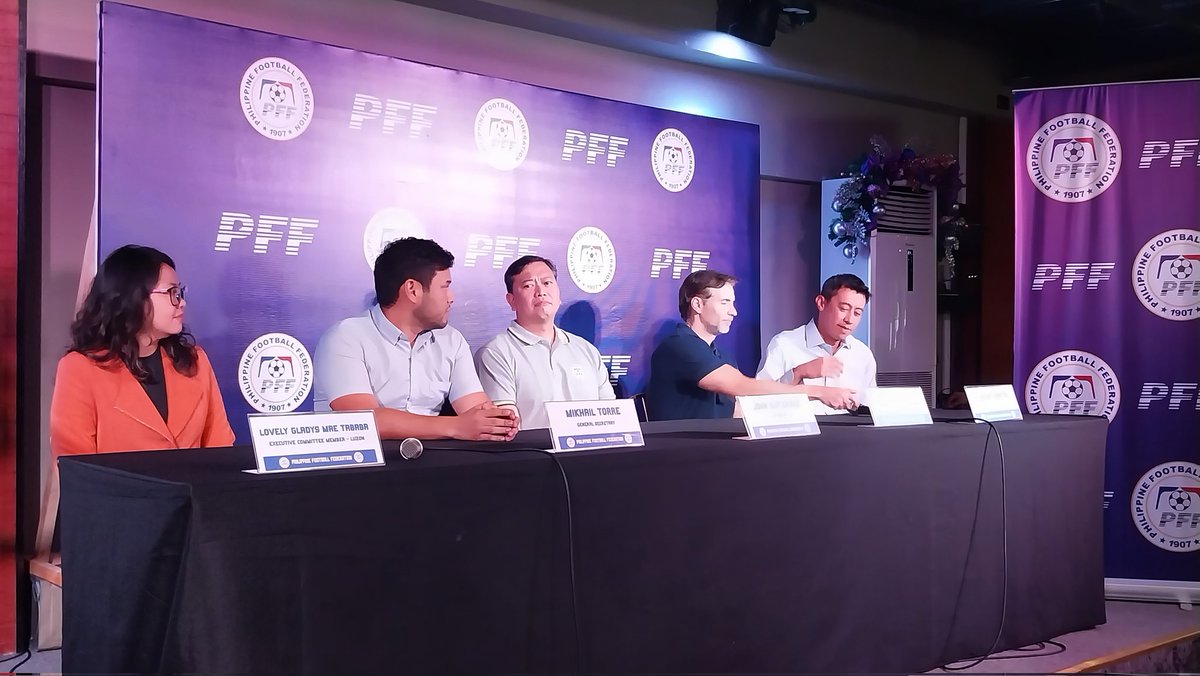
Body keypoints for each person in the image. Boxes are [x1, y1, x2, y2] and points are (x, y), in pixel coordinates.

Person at [314, 237, 517, 440]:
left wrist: (496, 422)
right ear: (413, 290)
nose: (451, 297)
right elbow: (362, 421)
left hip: (430, 466)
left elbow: (476, 408)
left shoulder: (452, 341)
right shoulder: (345, 337)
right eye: (445, 286)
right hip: (358, 466)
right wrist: (455, 426)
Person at [50, 244, 235, 456]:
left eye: (180, 292)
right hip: (117, 490)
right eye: (172, 292)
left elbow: (219, 448)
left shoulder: (195, 361)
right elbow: (73, 465)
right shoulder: (79, 368)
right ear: (134, 297)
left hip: (195, 489)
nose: (181, 302)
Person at [645, 270, 856, 421]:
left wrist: (798, 374)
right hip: (678, 460)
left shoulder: (723, 356)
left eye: (733, 303)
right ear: (697, 305)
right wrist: (819, 392)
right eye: (725, 303)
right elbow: (743, 387)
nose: (734, 311)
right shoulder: (679, 345)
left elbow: (748, 406)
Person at [475, 256, 615, 429]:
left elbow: (611, 417)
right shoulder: (496, 353)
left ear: (558, 293)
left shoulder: (587, 351)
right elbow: (507, 427)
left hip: (593, 454)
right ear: (511, 300)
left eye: (547, 283)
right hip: (534, 455)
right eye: (528, 285)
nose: (540, 291)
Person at [757, 273, 877, 415]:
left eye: (857, 313)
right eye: (843, 309)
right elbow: (758, 401)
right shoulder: (784, 344)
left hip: (848, 434)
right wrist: (798, 373)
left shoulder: (862, 354)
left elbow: (872, 408)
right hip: (798, 432)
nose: (849, 319)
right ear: (821, 303)